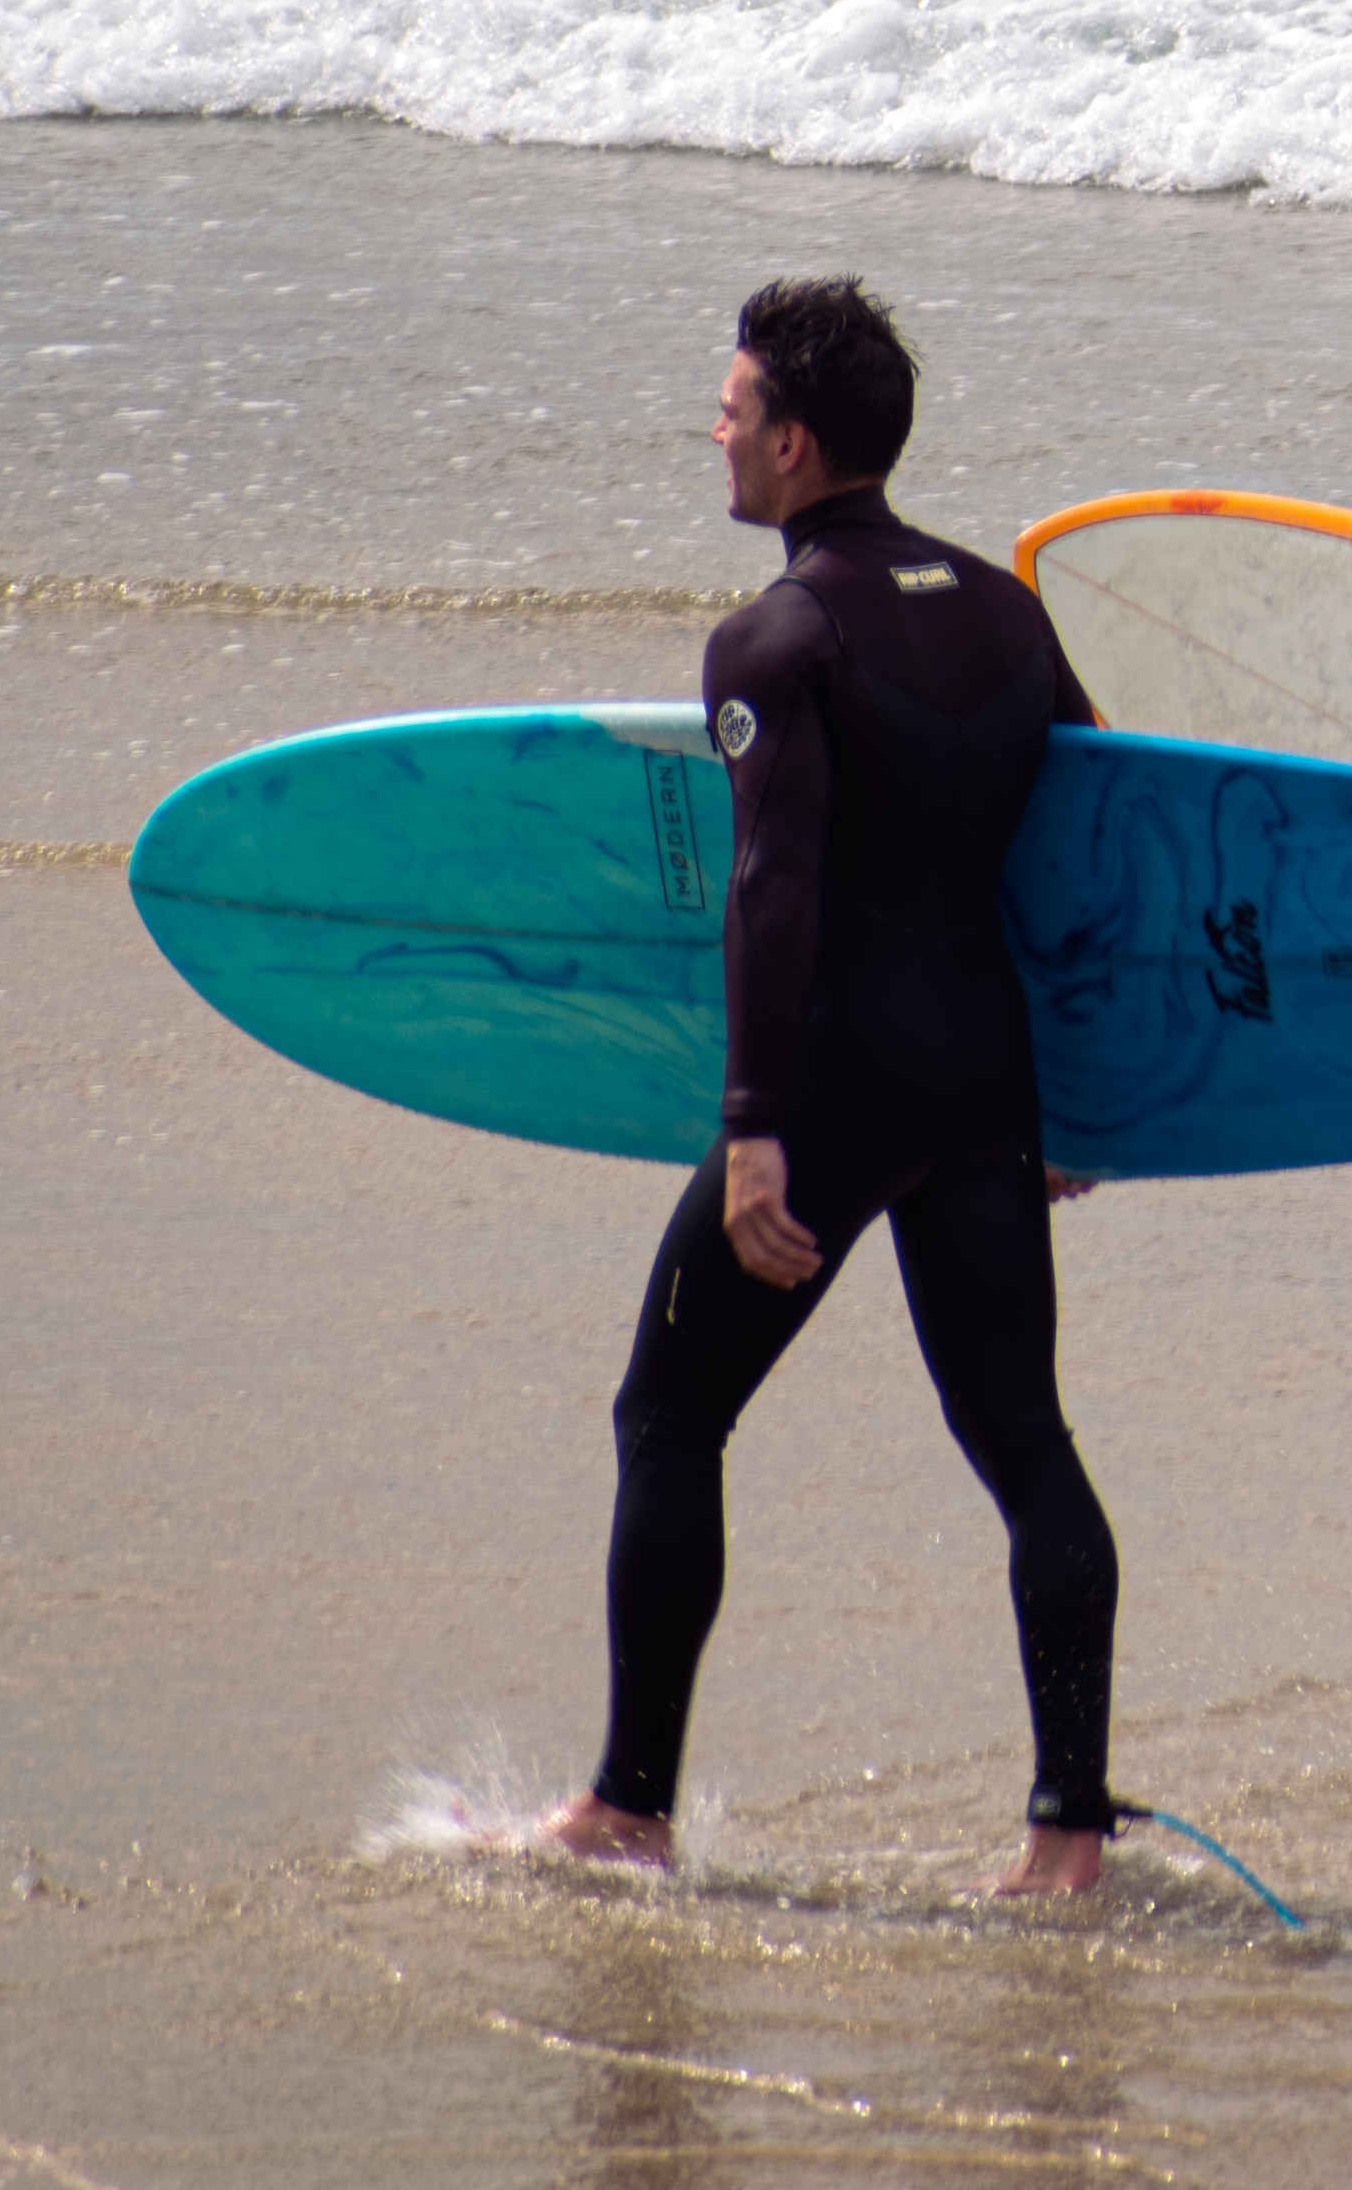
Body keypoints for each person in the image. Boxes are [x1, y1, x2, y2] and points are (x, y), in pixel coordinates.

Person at [541, 277, 1129, 1897]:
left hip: (842, 1088)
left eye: (730, 409)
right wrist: (1067, 1088)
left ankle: (628, 1810)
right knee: (1028, 1444)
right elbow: (1086, 838)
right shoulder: (1011, 609)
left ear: (795, 445)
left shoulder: (775, 638)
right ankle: (1068, 1834)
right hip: (986, 1078)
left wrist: (753, 1134)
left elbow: (773, 891)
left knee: (671, 1413)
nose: (714, 432)